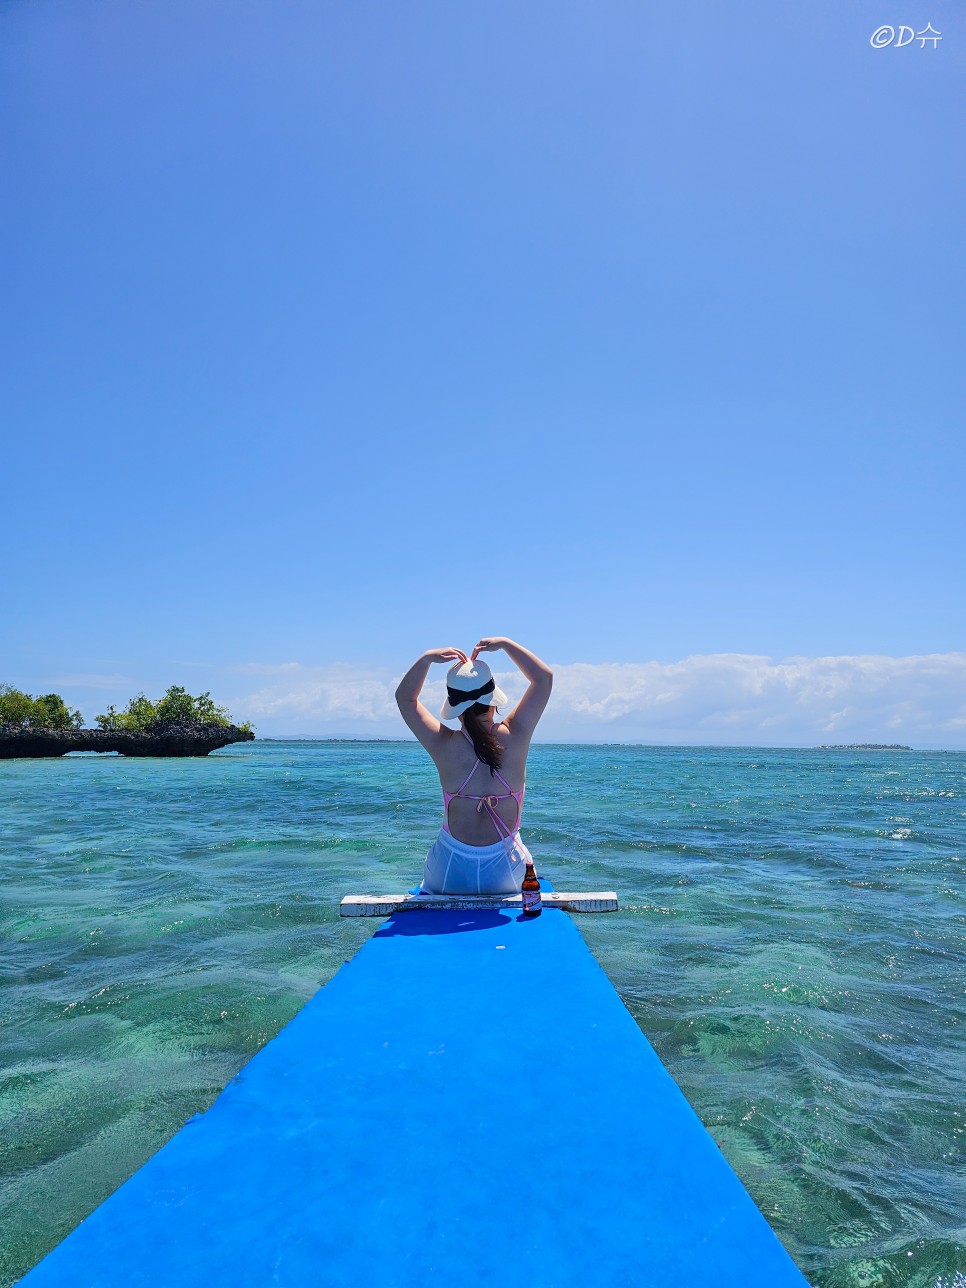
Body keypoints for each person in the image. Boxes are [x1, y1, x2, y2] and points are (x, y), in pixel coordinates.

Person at [394, 637, 553, 895]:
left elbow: (405, 699)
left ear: (455, 705)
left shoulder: (442, 743)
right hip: (505, 873)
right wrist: (505, 644)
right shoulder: (516, 733)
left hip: (448, 872)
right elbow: (543, 679)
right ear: (493, 699)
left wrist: (426, 659)